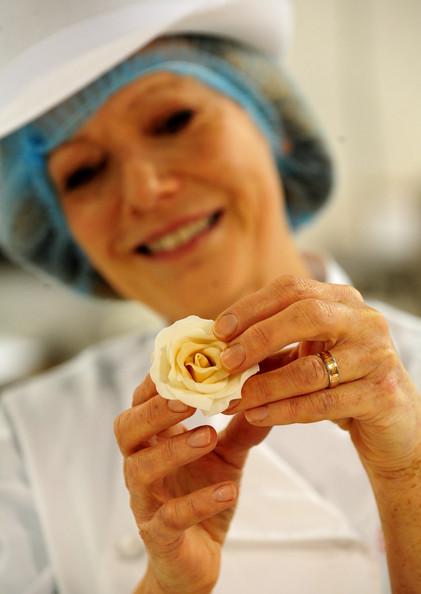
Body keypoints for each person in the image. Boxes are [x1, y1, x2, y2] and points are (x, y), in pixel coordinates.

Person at [1, 1, 421, 593]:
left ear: (272, 122)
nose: (144, 191)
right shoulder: (23, 449)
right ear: (61, 231)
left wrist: (408, 477)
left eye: (173, 121)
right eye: (85, 172)